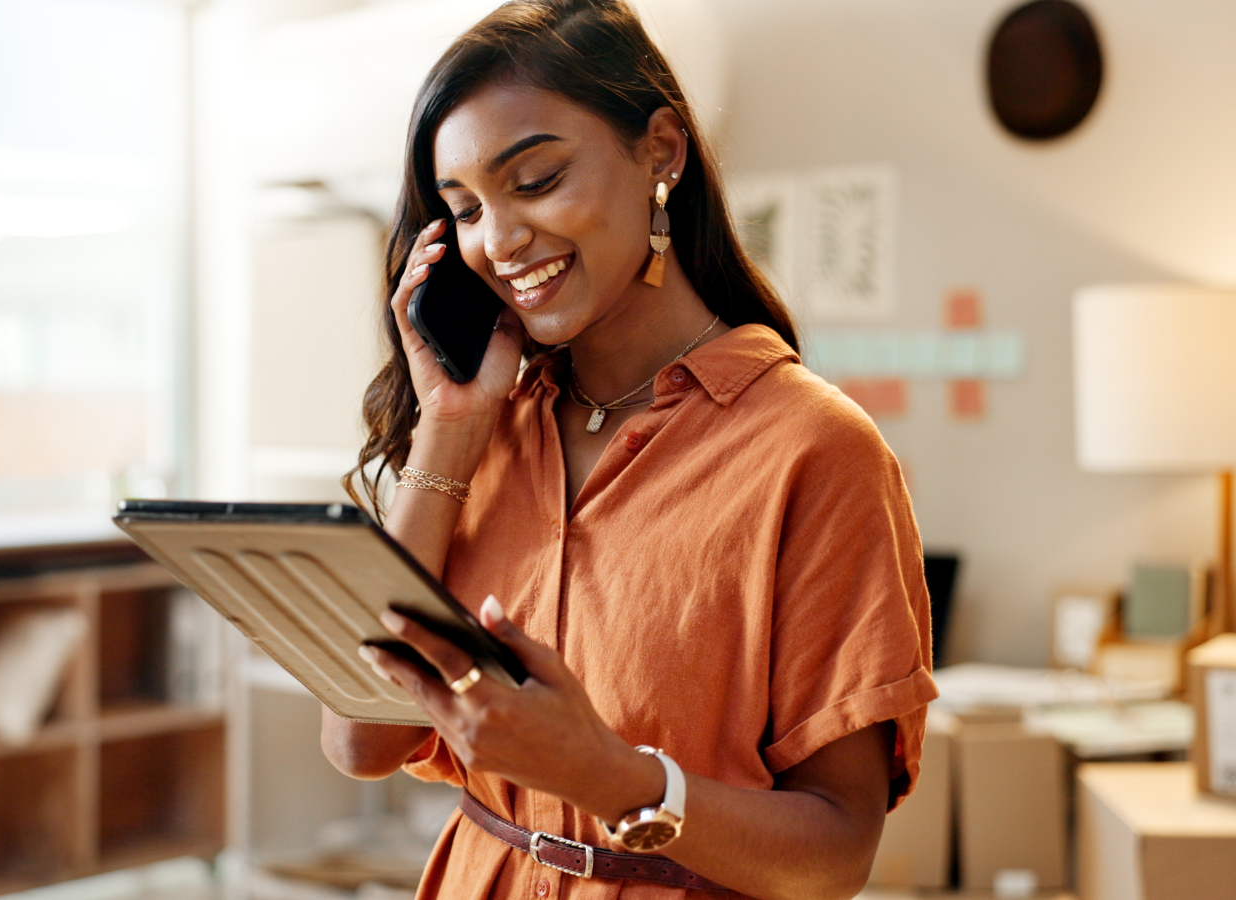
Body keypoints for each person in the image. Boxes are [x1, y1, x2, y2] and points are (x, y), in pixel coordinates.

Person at [323, 2, 936, 898]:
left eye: (534, 179)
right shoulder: (483, 429)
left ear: (661, 152)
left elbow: (837, 856)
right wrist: (448, 430)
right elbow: (359, 740)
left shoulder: (814, 450)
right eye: (463, 210)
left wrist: (610, 776)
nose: (497, 242)